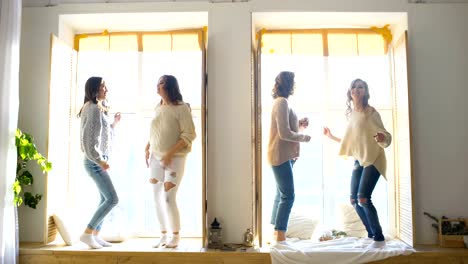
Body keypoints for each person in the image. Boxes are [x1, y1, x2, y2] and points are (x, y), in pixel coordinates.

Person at [323, 78, 391, 249]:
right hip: (359, 160)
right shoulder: (353, 114)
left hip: (374, 159)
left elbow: (386, 136)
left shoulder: (371, 112)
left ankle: (379, 237)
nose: (357, 89)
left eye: (361, 87)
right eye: (354, 86)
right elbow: (351, 142)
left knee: (363, 198)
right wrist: (331, 137)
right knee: (354, 200)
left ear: (365, 92)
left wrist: (382, 137)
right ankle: (371, 234)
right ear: (350, 92)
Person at [145, 75, 196, 248]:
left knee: (168, 197)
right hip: (155, 157)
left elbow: (189, 134)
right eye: (157, 83)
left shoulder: (181, 108)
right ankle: (163, 234)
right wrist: (147, 146)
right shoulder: (158, 107)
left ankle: (176, 235)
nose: (157, 86)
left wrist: (169, 153)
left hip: (175, 158)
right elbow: (155, 130)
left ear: (170, 87)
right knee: (155, 197)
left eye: (161, 84)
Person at [267, 71, 311, 244]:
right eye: (293, 81)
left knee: (281, 194)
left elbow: (286, 129)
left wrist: (299, 125)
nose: (294, 85)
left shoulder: (283, 103)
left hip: (284, 155)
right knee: (288, 195)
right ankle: (280, 234)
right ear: (288, 84)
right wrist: (304, 138)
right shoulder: (281, 102)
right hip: (280, 155)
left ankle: (275, 232)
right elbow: (284, 133)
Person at [78, 76, 121, 249]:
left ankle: (95, 235)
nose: (106, 89)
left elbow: (101, 135)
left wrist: (114, 124)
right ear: (95, 89)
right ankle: (87, 233)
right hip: (94, 162)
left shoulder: (96, 108)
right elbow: (88, 142)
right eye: (103, 86)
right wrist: (100, 161)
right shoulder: (93, 108)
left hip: (97, 160)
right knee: (112, 199)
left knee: (104, 198)